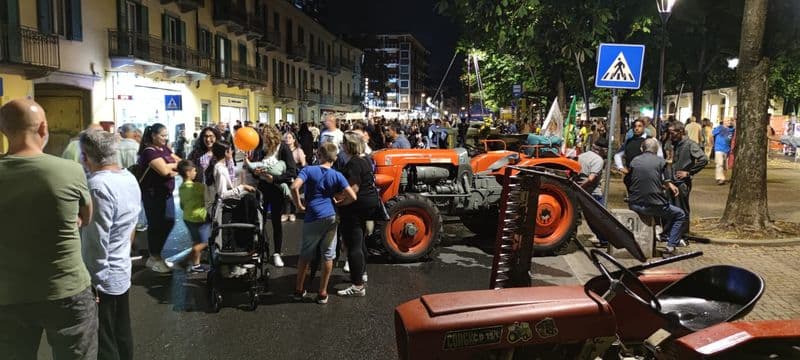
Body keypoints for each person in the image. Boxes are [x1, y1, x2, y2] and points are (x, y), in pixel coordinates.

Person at [0, 99, 97, 359]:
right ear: (43, 128)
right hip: (66, 288)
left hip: (8, 293)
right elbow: (85, 218)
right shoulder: (70, 170)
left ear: (4, 130)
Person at [79, 129, 139, 360]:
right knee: (121, 332)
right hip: (121, 267)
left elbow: (96, 241)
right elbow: (132, 224)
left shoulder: (97, 186)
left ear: (86, 157)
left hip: (103, 276)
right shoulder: (128, 178)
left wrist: (95, 280)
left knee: (105, 340)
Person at [290, 142, 357, 304]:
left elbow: (294, 187)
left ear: (319, 155)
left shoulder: (308, 170)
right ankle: (322, 292)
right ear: (334, 159)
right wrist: (337, 201)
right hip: (331, 216)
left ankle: (299, 290)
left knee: (305, 254)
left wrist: (298, 205)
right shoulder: (337, 175)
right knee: (328, 255)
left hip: (313, 216)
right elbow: (353, 196)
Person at [336, 132, 380, 297]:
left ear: (350, 146)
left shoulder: (354, 163)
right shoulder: (365, 159)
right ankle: (361, 274)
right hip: (368, 203)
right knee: (360, 241)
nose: (342, 146)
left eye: (344, 143)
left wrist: (340, 204)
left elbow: (353, 190)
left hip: (357, 205)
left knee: (353, 244)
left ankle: (357, 285)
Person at [627, 138, 686, 254]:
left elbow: (630, 179)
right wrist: (669, 185)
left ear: (641, 148)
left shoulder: (634, 161)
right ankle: (671, 245)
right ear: (657, 149)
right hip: (654, 205)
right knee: (680, 214)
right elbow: (666, 179)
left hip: (634, 203)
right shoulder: (661, 162)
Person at [249, 125, 297, 267]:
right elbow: (253, 167)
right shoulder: (260, 149)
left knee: (276, 221)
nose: (264, 142)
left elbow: (292, 172)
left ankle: (277, 253)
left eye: (266, 139)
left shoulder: (283, 149)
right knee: (259, 220)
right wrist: (255, 172)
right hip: (262, 188)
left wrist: (275, 179)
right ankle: (259, 249)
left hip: (276, 189)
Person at [138, 123, 180, 273]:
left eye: (166, 135)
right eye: (162, 135)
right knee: (156, 225)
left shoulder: (165, 149)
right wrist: (173, 168)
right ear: (153, 136)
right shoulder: (149, 151)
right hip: (153, 195)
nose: (165, 138)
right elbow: (164, 171)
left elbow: (180, 163)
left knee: (169, 221)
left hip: (166, 194)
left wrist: (172, 166)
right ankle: (154, 257)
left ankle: (156, 254)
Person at [666, 122, 708, 238]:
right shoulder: (674, 144)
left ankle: (683, 234)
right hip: (673, 181)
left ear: (680, 132)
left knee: (682, 208)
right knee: (673, 208)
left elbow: (703, 159)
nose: (671, 135)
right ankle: (673, 233)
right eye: (670, 133)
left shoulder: (690, 144)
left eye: (673, 133)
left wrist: (689, 173)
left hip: (682, 183)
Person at [178, 160, 211, 273]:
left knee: (196, 241)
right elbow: (209, 194)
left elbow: (182, 205)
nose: (196, 172)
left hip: (187, 218)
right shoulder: (198, 187)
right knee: (205, 242)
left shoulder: (181, 187)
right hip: (200, 219)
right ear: (188, 173)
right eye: (194, 171)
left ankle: (195, 265)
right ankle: (187, 260)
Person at [578, 138, 610, 247]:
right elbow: (591, 178)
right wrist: (580, 187)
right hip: (594, 193)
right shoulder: (598, 160)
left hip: (583, 193)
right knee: (601, 219)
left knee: (590, 219)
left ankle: (603, 240)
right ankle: (605, 240)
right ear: (602, 150)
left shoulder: (581, 156)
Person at [282, 131, 306, 222]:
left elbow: (303, 164)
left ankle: (292, 213)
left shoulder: (298, 150)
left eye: (289, 138)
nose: (287, 139)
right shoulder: (282, 150)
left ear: (293, 139)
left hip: (295, 174)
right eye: (286, 138)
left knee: (293, 194)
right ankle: (285, 213)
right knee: (285, 194)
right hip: (284, 174)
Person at [712, 119, 735, 185]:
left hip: (727, 150)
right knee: (719, 164)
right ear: (724, 122)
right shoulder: (720, 128)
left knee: (725, 166)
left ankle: (723, 177)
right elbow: (712, 133)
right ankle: (719, 178)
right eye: (727, 120)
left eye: (730, 120)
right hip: (719, 149)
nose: (729, 122)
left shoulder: (732, 130)